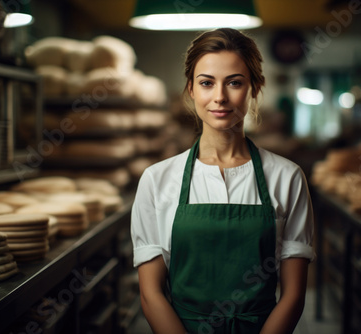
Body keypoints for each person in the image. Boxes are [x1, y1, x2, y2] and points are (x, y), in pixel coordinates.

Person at [130, 28, 315, 334]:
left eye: (235, 82)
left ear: (255, 88)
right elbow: (151, 294)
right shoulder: (157, 180)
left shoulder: (287, 177)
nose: (219, 97)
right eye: (206, 83)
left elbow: (293, 295)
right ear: (191, 89)